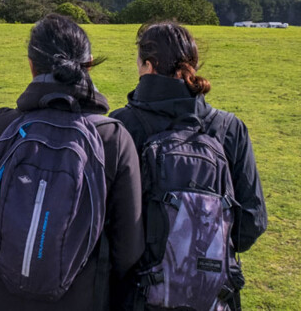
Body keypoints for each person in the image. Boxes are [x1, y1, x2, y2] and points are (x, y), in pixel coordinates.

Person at [0, 14, 144, 310]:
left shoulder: (2, 126)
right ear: (89, 64)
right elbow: (128, 249)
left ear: (31, 65)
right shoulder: (112, 138)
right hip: (82, 298)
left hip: (1, 296)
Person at [109, 21, 267, 309]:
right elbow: (251, 223)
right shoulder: (229, 128)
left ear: (148, 65)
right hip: (211, 296)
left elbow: (109, 225)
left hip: (138, 295)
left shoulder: (121, 126)